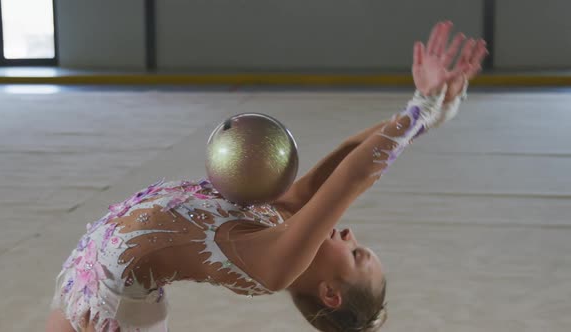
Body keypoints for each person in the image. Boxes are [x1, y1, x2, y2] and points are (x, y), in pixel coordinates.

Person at [46, 21, 488, 332]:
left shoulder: (274, 265)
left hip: (113, 308)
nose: (351, 233)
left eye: (356, 255)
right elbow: (343, 161)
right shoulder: (282, 219)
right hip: (90, 270)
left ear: (330, 293)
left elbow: (354, 178)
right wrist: (421, 116)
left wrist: (419, 115)